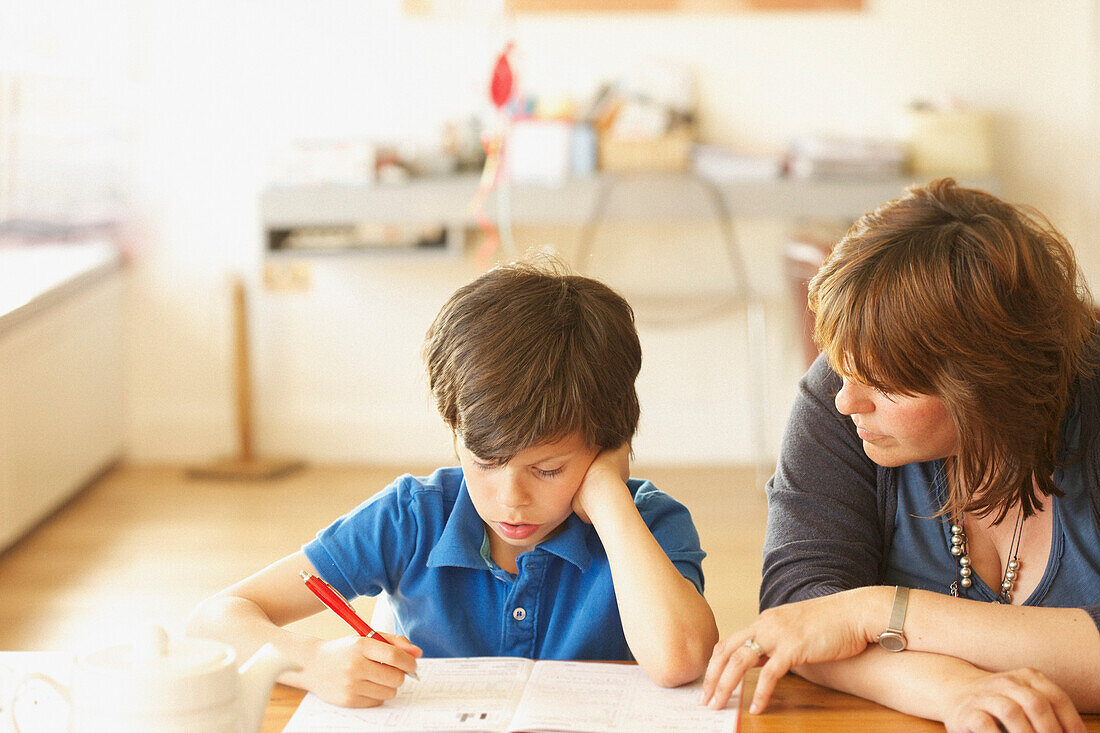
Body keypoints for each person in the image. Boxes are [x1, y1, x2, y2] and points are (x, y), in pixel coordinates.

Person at [188, 257, 718, 707]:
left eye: (548, 470)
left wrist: (608, 499)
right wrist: (310, 662)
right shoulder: (412, 517)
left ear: (607, 447)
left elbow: (680, 661)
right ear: (455, 430)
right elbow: (213, 620)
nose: (510, 500)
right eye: (485, 462)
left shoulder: (648, 524)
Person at [700, 179, 1100, 732]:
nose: (846, 401)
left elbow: (833, 619)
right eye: (844, 370)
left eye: (887, 386)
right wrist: (954, 691)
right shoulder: (843, 391)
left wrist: (873, 612)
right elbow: (799, 614)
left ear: (987, 382)